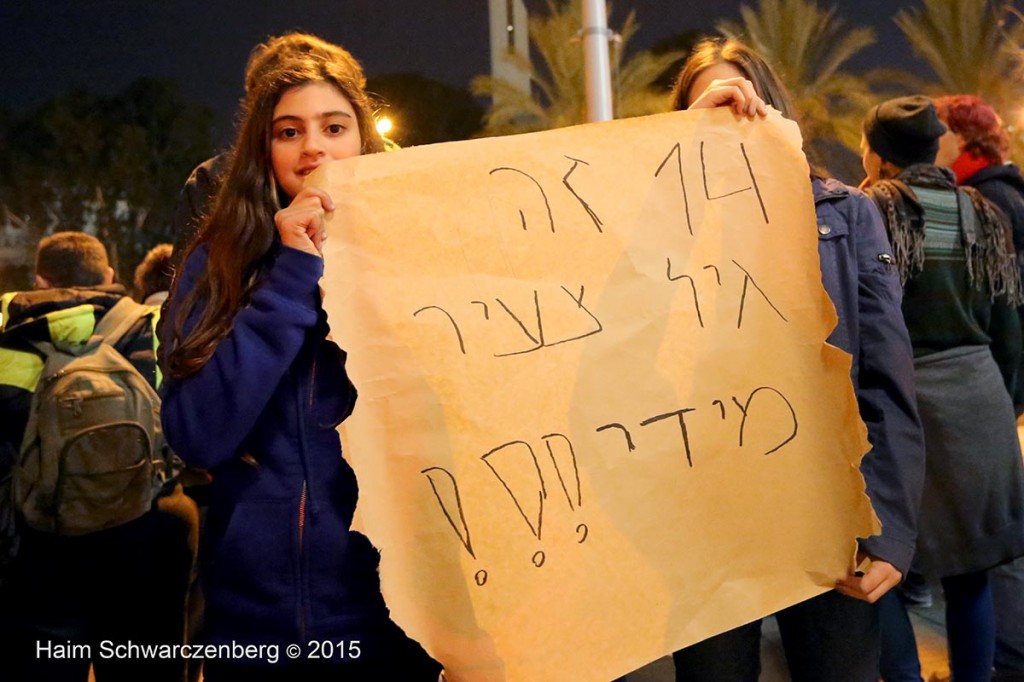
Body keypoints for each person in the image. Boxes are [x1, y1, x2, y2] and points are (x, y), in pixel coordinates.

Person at [158, 33, 440, 681]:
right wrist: (289, 275)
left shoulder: (422, 252)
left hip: (396, 622)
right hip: (257, 629)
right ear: (265, 148)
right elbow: (197, 434)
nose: (313, 145)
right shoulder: (217, 260)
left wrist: (710, 132)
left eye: (334, 126)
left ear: (362, 139)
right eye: (289, 131)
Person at [667, 38, 925, 682]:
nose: (725, 116)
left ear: (772, 108)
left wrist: (890, 529)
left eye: (738, 100)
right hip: (709, 523)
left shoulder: (846, 212)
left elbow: (886, 380)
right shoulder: (660, 228)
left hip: (829, 517)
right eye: (705, 108)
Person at [860, 95, 1024, 682]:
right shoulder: (981, 210)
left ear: (876, 153)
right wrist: (1004, 401)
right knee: (970, 567)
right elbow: (1010, 326)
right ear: (937, 147)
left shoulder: (868, 210)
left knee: (882, 567)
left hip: (902, 404)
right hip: (980, 398)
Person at [0, 231, 197, 682]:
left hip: (42, 545)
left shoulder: (9, 334)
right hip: (145, 534)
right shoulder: (153, 325)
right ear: (109, 275)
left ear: (39, 279)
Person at [932, 94, 1024, 682]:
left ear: (961, 141)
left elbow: (999, 305)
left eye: (937, 133)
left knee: (996, 541)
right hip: (1001, 381)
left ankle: (1010, 659)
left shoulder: (983, 202)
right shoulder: (1009, 191)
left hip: (990, 381)